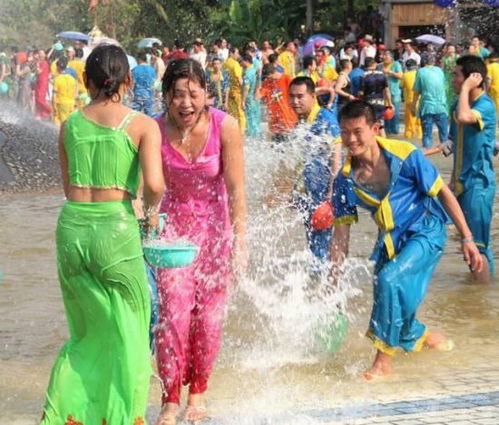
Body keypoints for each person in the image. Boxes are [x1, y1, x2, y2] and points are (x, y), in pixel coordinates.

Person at [40, 44, 165, 424]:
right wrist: (149, 211)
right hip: (116, 228)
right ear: (128, 81)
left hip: (73, 228)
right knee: (129, 329)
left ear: (85, 81)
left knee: (85, 333)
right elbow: (156, 185)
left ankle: (67, 414)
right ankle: (123, 417)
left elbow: (68, 189)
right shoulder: (143, 125)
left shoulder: (69, 126)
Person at [330, 100, 483, 380]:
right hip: (390, 240)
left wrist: (467, 238)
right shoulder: (345, 181)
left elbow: (443, 194)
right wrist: (334, 275)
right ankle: (420, 336)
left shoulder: (405, 154)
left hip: (426, 230)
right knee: (386, 294)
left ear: (376, 129)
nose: (350, 139)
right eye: (344, 132)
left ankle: (382, 364)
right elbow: (341, 233)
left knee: (390, 280)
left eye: (358, 131)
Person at [154, 58, 247, 425]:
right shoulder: (154, 130)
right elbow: (145, 191)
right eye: (178, 95)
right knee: (173, 318)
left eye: (194, 94)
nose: (186, 103)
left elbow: (237, 190)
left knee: (207, 321)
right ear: (166, 97)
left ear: (207, 94)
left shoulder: (226, 127)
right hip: (172, 241)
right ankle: (170, 398)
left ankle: (199, 392)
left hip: (214, 238)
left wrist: (241, 242)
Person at [448, 55, 496, 282]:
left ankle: (482, 304)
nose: (453, 80)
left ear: (472, 80)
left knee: (477, 247)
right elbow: (454, 143)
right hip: (460, 183)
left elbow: (466, 117)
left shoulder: (485, 105)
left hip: (479, 183)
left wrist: (467, 88)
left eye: (456, 75)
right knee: (468, 247)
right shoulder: (457, 104)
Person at [288, 76, 341, 264]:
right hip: (307, 194)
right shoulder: (301, 123)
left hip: (323, 195)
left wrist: (332, 191)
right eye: (292, 96)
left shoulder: (325, 119)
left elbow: (336, 154)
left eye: (300, 96)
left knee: (321, 244)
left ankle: (324, 284)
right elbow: (299, 160)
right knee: (312, 243)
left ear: (313, 96)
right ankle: (315, 285)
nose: (295, 101)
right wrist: (293, 190)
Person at [411, 54, 448, 150]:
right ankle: (446, 152)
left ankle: (427, 154)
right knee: (444, 135)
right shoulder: (439, 71)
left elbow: (417, 92)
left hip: (427, 107)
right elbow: (444, 87)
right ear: (434, 62)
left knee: (427, 134)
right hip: (441, 106)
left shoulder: (420, 72)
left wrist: (413, 106)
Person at [260, 64, 297, 143]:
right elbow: (257, 96)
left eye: (269, 77)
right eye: (267, 77)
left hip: (288, 120)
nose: (268, 79)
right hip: (275, 124)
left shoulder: (287, 79)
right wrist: (257, 79)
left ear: (274, 72)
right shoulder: (267, 83)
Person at [359, 57, 392, 134]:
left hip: (368, 103)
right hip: (380, 102)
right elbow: (387, 91)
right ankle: (385, 144)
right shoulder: (382, 75)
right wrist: (390, 103)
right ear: (374, 64)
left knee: (370, 125)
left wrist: (360, 102)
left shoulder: (363, 76)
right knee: (381, 126)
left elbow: (361, 93)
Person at [380, 50, 402, 135]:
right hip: (383, 92)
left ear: (391, 57)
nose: (384, 57)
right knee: (385, 112)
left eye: (386, 55)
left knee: (394, 112)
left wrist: (389, 72)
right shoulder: (380, 66)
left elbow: (400, 76)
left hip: (394, 91)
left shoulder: (396, 64)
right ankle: (387, 130)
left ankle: (395, 131)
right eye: (383, 55)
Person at [224, 47, 246, 132]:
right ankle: (241, 133)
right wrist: (244, 89)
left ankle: (232, 131)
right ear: (231, 53)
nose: (238, 55)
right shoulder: (235, 64)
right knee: (241, 114)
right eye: (236, 53)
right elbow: (239, 78)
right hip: (237, 92)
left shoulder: (225, 63)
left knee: (232, 113)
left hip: (228, 91)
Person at [52, 56, 77, 125]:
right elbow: (75, 91)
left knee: (60, 122)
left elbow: (54, 95)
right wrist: (74, 100)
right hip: (71, 103)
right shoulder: (72, 79)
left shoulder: (57, 79)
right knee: (70, 123)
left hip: (61, 103)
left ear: (58, 68)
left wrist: (53, 106)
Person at [241, 52, 262, 138]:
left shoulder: (247, 73)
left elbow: (246, 87)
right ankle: (258, 136)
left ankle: (252, 137)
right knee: (256, 117)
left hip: (249, 98)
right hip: (255, 98)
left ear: (246, 61)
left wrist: (243, 100)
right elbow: (258, 84)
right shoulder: (254, 70)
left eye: (242, 61)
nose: (241, 63)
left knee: (250, 118)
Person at [400, 59, 422, 139]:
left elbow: (401, 86)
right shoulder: (419, 74)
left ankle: (409, 136)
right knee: (419, 119)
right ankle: (420, 135)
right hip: (419, 100)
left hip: (409, 101)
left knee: (409, 120)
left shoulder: (405, 75)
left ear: (407, 67)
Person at [131, 52, 156, 116]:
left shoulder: (135, 70)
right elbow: (153, 84)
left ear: (139, 59)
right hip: (149, 95)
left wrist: (131, 94)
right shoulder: (152, 70)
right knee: (149, 116)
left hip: (138, 94)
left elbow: (133, 83)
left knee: (134, 115)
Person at [33, 49, 51, 119]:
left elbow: (39, 72)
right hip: (38, 82)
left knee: (40, 99)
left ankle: (50, 110)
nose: (40, 54)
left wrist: (37, 65)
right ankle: (38, 114)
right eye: (39, 53)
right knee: (36, 98)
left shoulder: (44, 63)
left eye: (41, 53)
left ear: (44, 55)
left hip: (43, 82)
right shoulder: (39, 62)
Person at [441, 43, 459, 114]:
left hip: (455, 77)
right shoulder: (444, 58)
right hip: (447, 78)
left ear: (455, 49)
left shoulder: (457, 57)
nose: (451, 50)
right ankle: (448, 112)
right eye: (449, 48)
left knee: (455, 93)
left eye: (452, 48)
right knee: (447, 94)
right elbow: (442, 69)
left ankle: (455, 111)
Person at [486, 52, 499, 118]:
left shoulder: (489, 67)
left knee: (495, 111)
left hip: (494, 91)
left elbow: (489, 80)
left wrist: (486, 91)